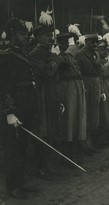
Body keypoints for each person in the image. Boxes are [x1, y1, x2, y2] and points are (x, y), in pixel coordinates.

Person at [0, 17, 39, 199]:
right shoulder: (6, 56)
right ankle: (12, 186)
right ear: (13, 34)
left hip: (26, 106)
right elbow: (4, 86)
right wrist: (10, 112)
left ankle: (20, 183)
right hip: (15, 108)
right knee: (12, 149)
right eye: (22, 34)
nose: (26, 38)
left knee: (23, 147)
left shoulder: (21, 53)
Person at [29, 11, 61, 178]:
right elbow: (47, 72)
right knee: (42, 130)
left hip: (51, 95)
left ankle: (47, 165)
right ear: (38, 37)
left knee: (50, 130)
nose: (50, 38)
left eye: (50, 35)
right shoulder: (35, 54)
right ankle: (40, 167)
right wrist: (55, 58)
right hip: (41, 96)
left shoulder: (48, 52)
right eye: (47, 36)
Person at [56, 32, 87, 164]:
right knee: (68, 121)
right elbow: (63, 62)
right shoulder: (60, 55)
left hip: (75, 88)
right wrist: (64, 51)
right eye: (69, 43)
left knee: (76, 120)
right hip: (67, 89)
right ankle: (66, 155)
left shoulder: (71, 54)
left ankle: (74, 150)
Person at [75, 34, 101, 155]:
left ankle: (89, 142)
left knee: (93, 114)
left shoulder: (96, 54)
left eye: (96, 42)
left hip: (95, 83)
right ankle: (82, 144)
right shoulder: (79, 54)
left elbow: (99, 70)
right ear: (86, 42)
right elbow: (78, 71)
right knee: (84, 113)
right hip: (85, 83)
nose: (95, 45)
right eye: (92, 42)